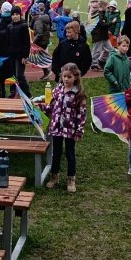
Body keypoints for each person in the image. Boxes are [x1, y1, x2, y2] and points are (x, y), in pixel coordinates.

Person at [43, 62, 88, 192]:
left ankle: (71, 179)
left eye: (69, 77)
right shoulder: (58, 89)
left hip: (70, 129)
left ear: (75, 77)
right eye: (64, 76)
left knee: (70, 154)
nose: (66, 79)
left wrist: (79, 131)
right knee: (56, 153)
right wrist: (42, 107)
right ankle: (54, 176)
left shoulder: (78, 94)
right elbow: (51, 105)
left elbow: (81, 115)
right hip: (56, 127)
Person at [8, 3, 32, 96]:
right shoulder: (9, 26)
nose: (15, 16)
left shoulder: (24, 26)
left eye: (17, 14)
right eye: (13, 15)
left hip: (20, 55)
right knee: (12, 74)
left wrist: (25, 56)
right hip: (11, 54)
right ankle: (12, 91)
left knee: (19, 75)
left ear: (20, 15)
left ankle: (27, 93)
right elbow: (8, 41)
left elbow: (26, 43)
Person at [30, 4, 54, 80]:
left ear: (33, 14)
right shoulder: (45, 17)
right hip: (45, 40)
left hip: (40, 42)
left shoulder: (38, 22)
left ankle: (46, 72)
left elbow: (39, 33)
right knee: (41, 57)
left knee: (39, 58)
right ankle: (46, 72)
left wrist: (33, 42)